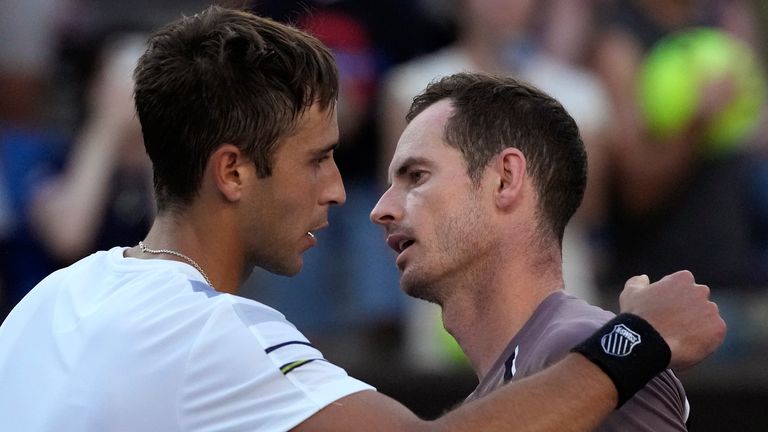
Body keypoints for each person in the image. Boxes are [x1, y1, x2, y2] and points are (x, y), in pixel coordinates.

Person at [0, 6, 724, 431]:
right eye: (316, 159)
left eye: (415, 175)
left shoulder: (46, 303)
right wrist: (641, 338)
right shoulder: (209, 336)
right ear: (232, 172)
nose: (345, 194)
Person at [368, 72, 700, 430]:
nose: (381, 209)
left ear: (505, 179)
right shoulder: (552, 370)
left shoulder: (586, 350)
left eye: (416, 176)